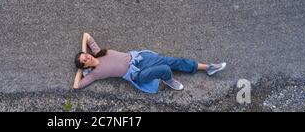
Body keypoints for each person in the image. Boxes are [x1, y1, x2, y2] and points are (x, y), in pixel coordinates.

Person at [73, 33, 226, 93]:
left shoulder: (98, 51)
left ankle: (208, 68)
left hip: (141, 59)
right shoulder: (94, 74)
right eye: (84, 61)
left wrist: (82, 52)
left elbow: (86, 35)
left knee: (172, 61)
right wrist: (80, 70)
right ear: (86, 66)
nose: (87, 57)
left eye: (85, 56)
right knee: (165, 69)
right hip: (136, 74)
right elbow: (76, 86)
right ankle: (170, 81)